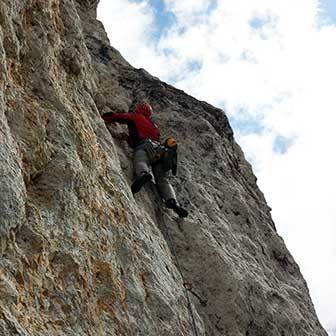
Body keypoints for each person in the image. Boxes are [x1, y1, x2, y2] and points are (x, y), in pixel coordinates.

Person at [102, 102, 188, 218]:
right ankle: (172, 201)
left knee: (140, 160)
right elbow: (152, 137)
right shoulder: (154, 126)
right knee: (163, 179)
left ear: (139, 109)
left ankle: (143, 174)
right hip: (160, 151)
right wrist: (127, 138)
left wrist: (107, 117)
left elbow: (120, 117)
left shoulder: (135, 116)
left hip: (144, 146)